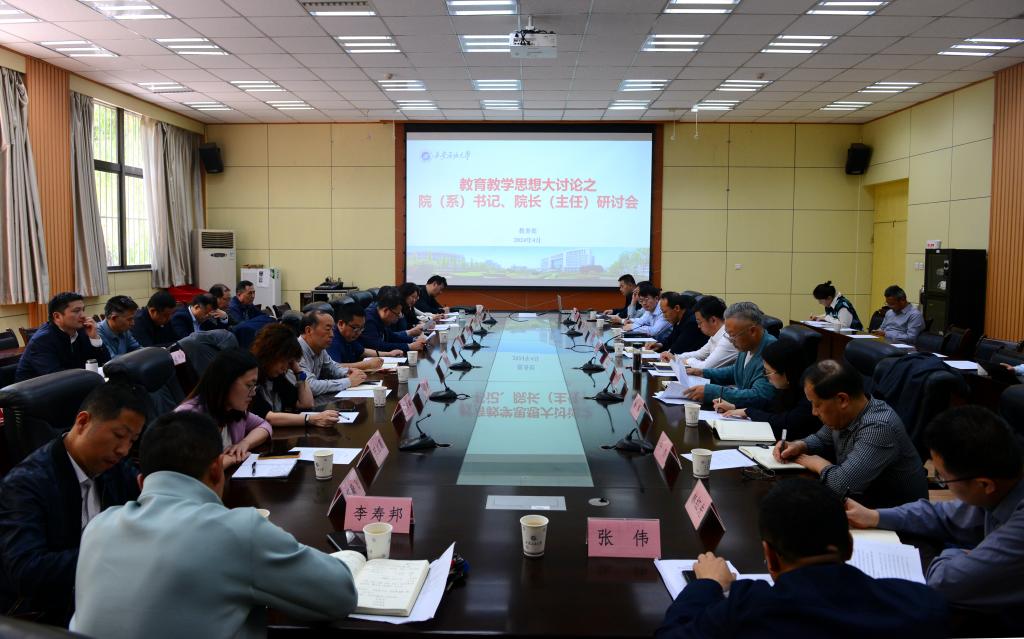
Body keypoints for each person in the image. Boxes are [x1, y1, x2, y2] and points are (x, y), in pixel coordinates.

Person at [70, 411, 357, 639]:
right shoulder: (235, 530)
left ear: (142, 482)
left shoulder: (97, 527)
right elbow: (340, 595)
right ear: (217, 469)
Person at [655, 478, 947, 639]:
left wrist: (706, 585)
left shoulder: (747, 611)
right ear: (848, 546)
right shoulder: (922, 606)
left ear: (770, 556)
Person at [846, 406, 1024, 632]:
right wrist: (875, 516)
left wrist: (955, 555)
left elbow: (945, 582)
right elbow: (942, 515)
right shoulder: (998, 486)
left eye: (942, 477)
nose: (941, 482)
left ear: (984, 484)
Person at [0, 383, 146, 625]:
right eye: (119, 435)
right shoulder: (24, 484)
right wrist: (110, 554)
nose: (124, 450)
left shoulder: (113, 466)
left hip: (103, 592)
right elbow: (27, 571)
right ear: (82, 422)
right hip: (45, 614)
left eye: (132, 440)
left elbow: (146, 495)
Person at [774, 359, 927, 507]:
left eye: (817, 404)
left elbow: (841, 486)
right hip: (862, 505)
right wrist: (799, 445)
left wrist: (816, 463)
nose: (814, 412)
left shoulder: (879, 427)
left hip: (890, 518)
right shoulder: (846, 414)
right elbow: (821, 439)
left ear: (842, 400)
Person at [175, 349, 272, 467]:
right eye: (249, 385)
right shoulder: (187, 418)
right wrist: (230, 459)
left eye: (254, 386)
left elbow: (264, 425)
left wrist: (245, 443)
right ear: (226, 381)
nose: (253, 393)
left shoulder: (232, 410)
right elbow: (191, 470)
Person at [714, 339, 821, 440]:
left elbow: (785, 422)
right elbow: (768, 404)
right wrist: (735, 407)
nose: (765, 376)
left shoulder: (810, 394)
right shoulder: (786, 387)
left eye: (767, 372)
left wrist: (749, 412)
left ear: (787, 373)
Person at [684, 302, 775, 407]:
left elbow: (760, 396)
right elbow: (737, 371)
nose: (731, 341)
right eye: (728, 335)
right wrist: (704, 373)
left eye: (733, 335)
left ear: (752, 331)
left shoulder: (772, 351)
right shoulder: (748, 344)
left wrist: (714, 392)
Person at [249, 323, 339, 429]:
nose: (285, 368)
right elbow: (267, 417)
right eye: (284, 360)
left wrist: (298, 371)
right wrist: (311, 419)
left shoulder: (276, 377)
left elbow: (306, 403)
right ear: (271, 354)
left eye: (289, 362)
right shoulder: (251, 376)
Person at [15, 292, 111, 382]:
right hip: (37, 391)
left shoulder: (82, 330)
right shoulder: (42, 341)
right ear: (57, 316)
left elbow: (105, 364)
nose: (83, 315)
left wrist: (95, 338)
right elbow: (57, 378)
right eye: (76, 311)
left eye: (83, 310)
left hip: (74, 384)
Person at [299, 309, 368, 404]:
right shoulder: (295, 351)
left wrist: (348, 372)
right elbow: (310, 386)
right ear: (309, 330)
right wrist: (348, 381)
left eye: (332, 329)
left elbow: (333, 368)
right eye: (328, 330)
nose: (332, 335)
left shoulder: (320, 348)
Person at [661, 295, 738, 370]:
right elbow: (700, 354)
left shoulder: (727, 338)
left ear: (713, 320)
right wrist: (675, 357)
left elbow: (706, 367)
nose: (698, 326)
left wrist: (687, 361)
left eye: (699, 322)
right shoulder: (715, 335)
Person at [327, 302, 398, 367]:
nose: (359, 333)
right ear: (341, 324)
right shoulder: (332, 340)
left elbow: (363, 352)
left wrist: (389, 354)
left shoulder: (349, 337)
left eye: (361, 328)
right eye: (355, 328)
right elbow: (335, 367)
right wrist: (367, 364)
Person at [362, 289, 426, 354]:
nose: (398, 318)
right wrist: (409, 347)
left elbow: (391, 336)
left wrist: (414, 340)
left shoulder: (380, 315)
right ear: (385, 310)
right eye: (397, 314)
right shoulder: (368, 320)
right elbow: (377, 346)